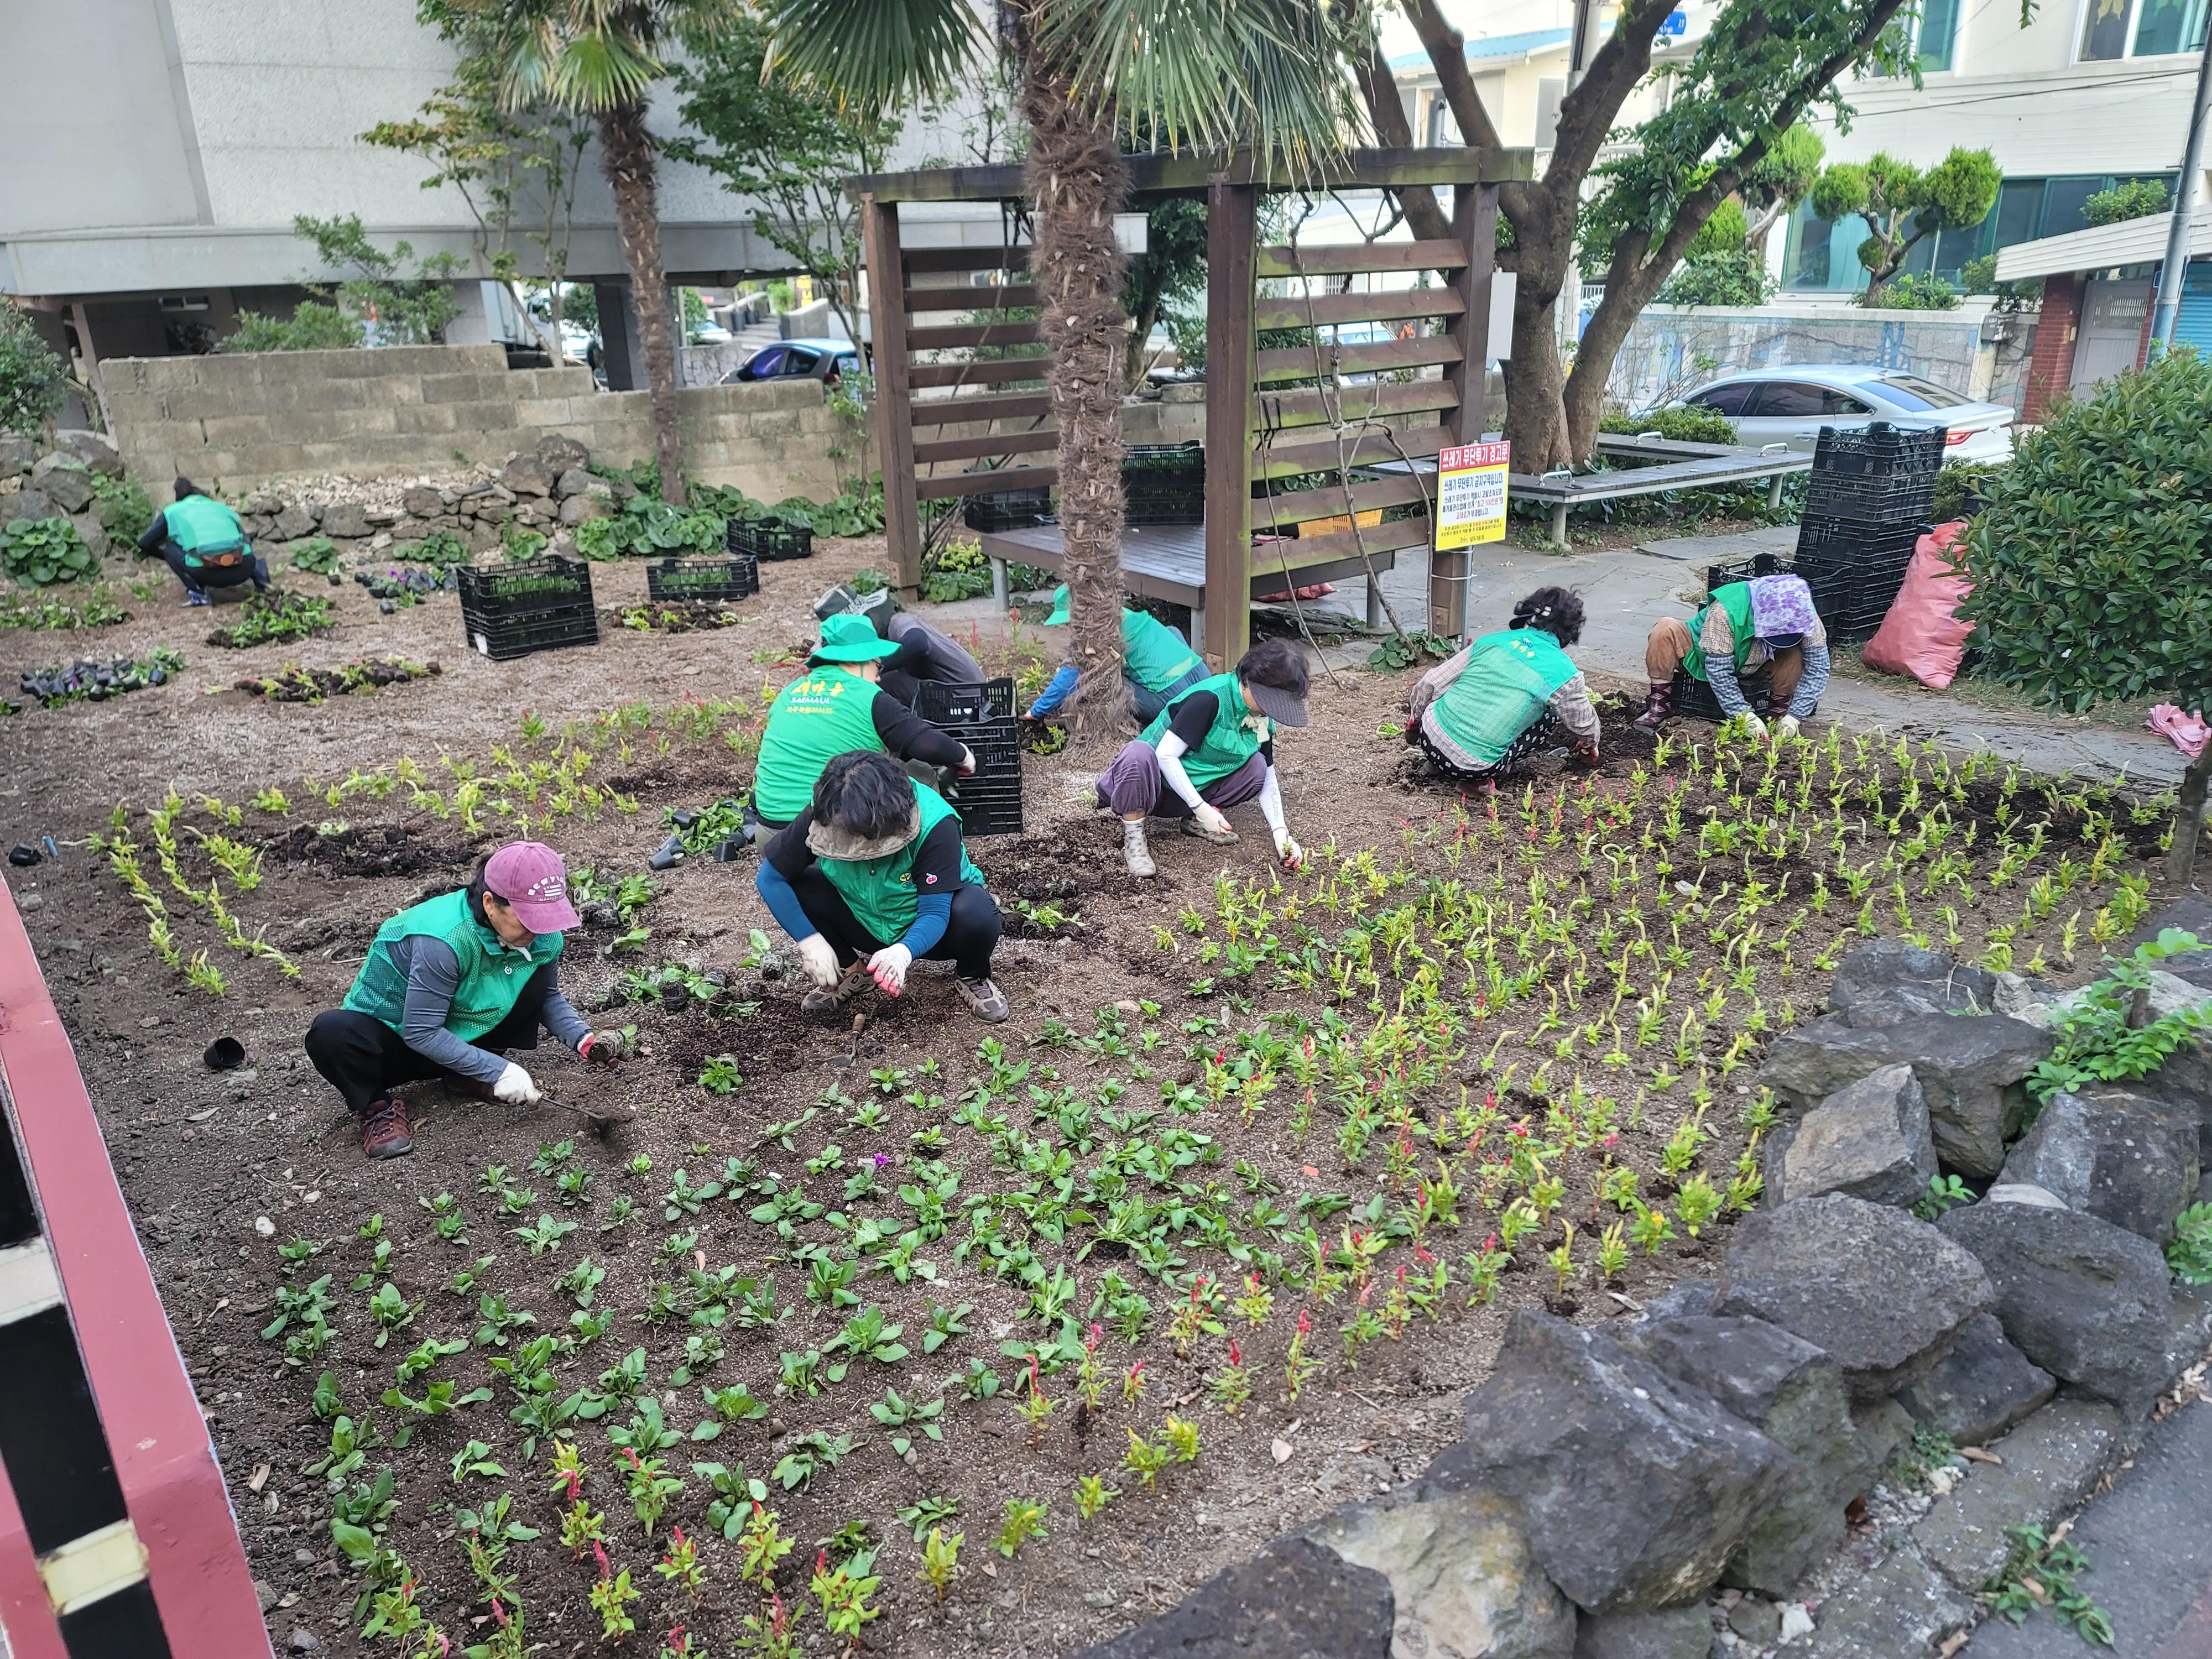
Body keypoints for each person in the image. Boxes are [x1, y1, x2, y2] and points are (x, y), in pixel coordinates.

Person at [303, 842, 622, 1160]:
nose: (538, 931)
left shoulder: (542, 936)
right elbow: (420, 1031)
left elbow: (546, 997)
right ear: (490, 904)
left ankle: (466, 1074)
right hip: (397, 1042)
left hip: (461, 1033)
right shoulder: (442, 940)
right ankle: (377, 1108)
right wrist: (498, 1070)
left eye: (546, 918)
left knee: (532, 981)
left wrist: (584, 1039)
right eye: (528, 919)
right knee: (332, 1034)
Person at [755, 749, 1010, 1024]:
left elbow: (935, 912)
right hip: (864, 919)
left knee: (976, 910)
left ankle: (973, 975)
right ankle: (853, 971)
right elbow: (770, 878)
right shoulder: (831, 808)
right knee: (799, 884)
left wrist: (903, 953)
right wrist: (810, 941)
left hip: (936, 930)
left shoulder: (935, 822)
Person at [1095, 636, 1310, 879]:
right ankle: (1134, 839)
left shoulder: (1260, 716)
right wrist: (1201, 808)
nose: (1271, 710)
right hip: (1148, 787)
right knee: (1139, 753)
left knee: (1257, 768)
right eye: (1270, 701)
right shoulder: (1210, 699)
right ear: (1249, 681)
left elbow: (1268, 775)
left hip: (1185, 795)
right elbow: (1165, 756)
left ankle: (1194, 821)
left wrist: (1281, 834)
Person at [752, 613, 978, 830]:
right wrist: (964, 757)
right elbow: (929, 745)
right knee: (920, 773)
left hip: (771, 834)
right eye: (877, 666)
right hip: (827, 838)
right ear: (861, 660)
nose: (879, 676)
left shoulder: (789, 693)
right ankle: (915, 853)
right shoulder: (867, 696)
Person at [1406, 586, 1601, 784]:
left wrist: (1416, 721)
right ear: (1570, 630)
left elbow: (1431, 683)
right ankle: (1477, 784)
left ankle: (1434, 765)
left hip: (1428, 738)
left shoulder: (1492, 641)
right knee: (1547, 718)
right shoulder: (1564, 673)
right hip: (1472, 767)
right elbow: (1583, 723)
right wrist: (1590, 745)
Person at [1637, 571, 1829, 737]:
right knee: (1665, 629)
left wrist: (1795, 716)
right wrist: (1743, 715)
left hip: (1758, 661)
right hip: (1704, 655)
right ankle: (1659, 705)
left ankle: (1779, 714)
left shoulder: (1803, 612)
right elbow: (1719, 671)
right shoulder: (1726, 611)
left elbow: (1818, 667)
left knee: (1795, 654)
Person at [1025, 585, 1209, 726]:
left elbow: (1069, 677)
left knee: (1098, 677)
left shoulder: (1099, 632)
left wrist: (1035, 712)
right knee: (1168, 632)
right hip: (1204, 681)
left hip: (1173, 700)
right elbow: (1174, 632)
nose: (1068, 627)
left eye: (1069, 622)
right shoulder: (1126, 615)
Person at [813, 585, 987, 710]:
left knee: (885, 682)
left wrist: (877, 668)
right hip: (952, 696)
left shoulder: (900, 622)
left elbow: (918, 642)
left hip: (967, 697)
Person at [138, 477, 271, 608]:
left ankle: (199, 595)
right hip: (243, 569)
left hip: (207, 574)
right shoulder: (221, 508)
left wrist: (164, 556)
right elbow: (246, 539)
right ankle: (262, 581)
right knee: (242, 546)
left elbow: (145, 542)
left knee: (169, 549)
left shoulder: (173, 511)